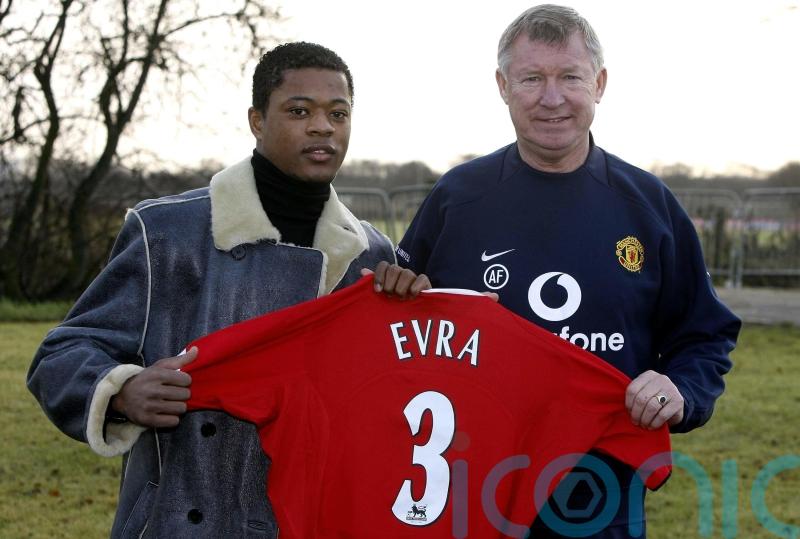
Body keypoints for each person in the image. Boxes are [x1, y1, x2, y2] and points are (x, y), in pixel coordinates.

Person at [27, 41, 427, 538]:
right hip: (186, 518)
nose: (323, 126)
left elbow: (388, 404)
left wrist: (415, 312)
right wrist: (123, 390)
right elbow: (61, 353)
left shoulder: (371, 254)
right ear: (257, 120)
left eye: (338, 113)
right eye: (299, 111)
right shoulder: (168, 233)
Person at [396, 5, 741, 538]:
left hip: (600, 495)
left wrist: (681, 388)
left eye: (570, 77)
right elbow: (398, 327)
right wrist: (396, 292)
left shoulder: (648, 206)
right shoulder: (456, 199)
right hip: (468, 486)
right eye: (532, 78)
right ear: (502, 86)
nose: (551, 98)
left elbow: (706, 331)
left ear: (599, 84)